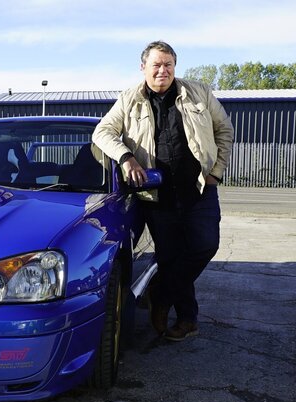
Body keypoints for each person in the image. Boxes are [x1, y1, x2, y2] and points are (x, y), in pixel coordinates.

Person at [92, 40, 234, 341]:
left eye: (168, 64)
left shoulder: (199, 93)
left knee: (205, 245)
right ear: (143, 67)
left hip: (199, 189)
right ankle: (187, 320)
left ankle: (161, 293)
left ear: (175, 67)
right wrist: (126, 157)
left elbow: (225, 131)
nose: (162, 70)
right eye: (156, 64)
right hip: (157, 196)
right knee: (170, 256)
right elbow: (102, 132)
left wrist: (215, 174)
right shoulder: (129, 99)